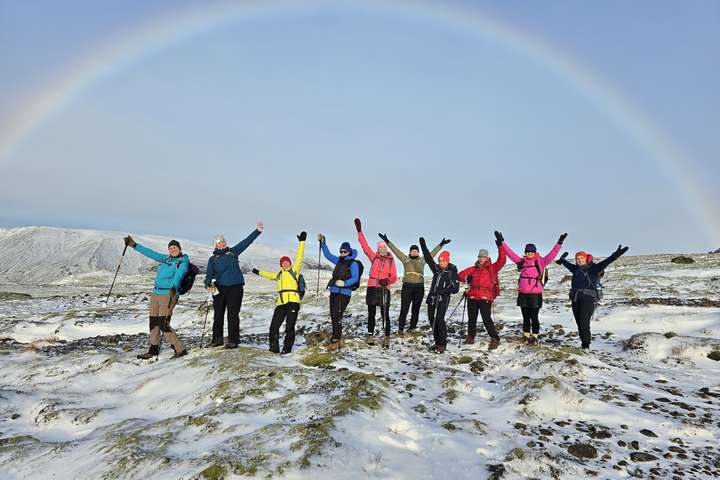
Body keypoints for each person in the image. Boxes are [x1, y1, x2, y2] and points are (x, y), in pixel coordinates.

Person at [123, 235, 188, 359]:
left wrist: (174, 287)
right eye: (171, 248)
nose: (173, 250)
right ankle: (153, 350)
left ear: (179, 249)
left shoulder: (182, 262)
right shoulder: (166, 259)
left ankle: (179, 349)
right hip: (156, 294)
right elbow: (151, 253)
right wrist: (134, 245)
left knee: (163, 323)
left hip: (168, 294)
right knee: (153, 322)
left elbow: (180, 274)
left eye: (175, 247)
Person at [495, 230, 565, 345]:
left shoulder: (541, 261)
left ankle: (535, 335)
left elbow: (552, 254)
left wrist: (559, 243)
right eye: (527, 251)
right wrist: (502, 242)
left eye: (531, 251)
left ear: (535, 252)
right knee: (525, 317)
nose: (529, 253)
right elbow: (510, 253)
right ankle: (526, 335)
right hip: (523, 293)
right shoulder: (521, 262)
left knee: (534, 317)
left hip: (535, 294)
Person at [556, 245, 629, 350]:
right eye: (577, 259)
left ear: (585, 258)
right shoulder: (575, 269)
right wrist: (562, 260)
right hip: (576, 299)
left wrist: (616, 255)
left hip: (588, 299)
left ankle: (586, 347)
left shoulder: (594, 268)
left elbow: (607, 261)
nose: (579, 260)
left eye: (581, 258)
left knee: (584, 323)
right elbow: (567, 264)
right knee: (579, 324)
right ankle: (583, 344)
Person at [204, 223, 264, 349]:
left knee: (232, 314)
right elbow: (209, 275)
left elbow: (246, 242)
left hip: (235, 288)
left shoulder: (233, 252)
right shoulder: (212, 259)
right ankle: (217, 339)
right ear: (215, 245)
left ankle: (233, 340)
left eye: (223, 242)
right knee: (218, 314)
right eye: (219, 243)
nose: (221, 245)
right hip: (219, 289)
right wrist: (208, 284)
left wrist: (257, 231)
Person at [380, 233, 449, 335]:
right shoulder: (405, 259)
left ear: (418, 252)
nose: (414, 252)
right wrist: (387, 241)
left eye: (416, 251)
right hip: (407, 286)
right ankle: (400, 328)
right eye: (413, 251)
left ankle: (412, 328)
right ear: (410, 252)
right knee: (404, 308)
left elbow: (431, 254)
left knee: (415, 309)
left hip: (419, 287)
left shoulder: (422, 260)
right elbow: (396, 250)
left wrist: (441, 245)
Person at [252, 232, 306, 354]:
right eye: (283, 262)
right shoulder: (278, 274)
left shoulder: (295, 271)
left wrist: (301, 242)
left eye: (287, 261)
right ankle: (274, 349)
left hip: (293, 302)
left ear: (290, 263)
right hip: (281, 303)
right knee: (273, 327)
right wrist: (257, 272)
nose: (285, 263)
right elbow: (268, 274)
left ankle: (286, 350)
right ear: (281, 264)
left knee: (289, 327)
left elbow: (299, 257)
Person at [355, 218, 398, 348]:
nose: (382, 249)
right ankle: (370, 335)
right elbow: (364, 246)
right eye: (380, 247)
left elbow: (395, 276)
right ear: (378, 249)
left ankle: (386, 337)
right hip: (372, 288)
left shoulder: (391, 260)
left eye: (384, 247)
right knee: (371, 313)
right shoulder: (373, 257)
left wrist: (388, 280)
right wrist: (359, 231)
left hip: (384, 289)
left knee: (385, 314)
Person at [457, 238, 507, 349]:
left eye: (483, 256)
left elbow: (502, 259)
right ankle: (470, 337)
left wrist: (500, 246)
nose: (481, 258)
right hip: (473, 296)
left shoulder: (493, 268)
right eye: (480, 256)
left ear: (487, 257)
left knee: (486, 319)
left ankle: (495, 338)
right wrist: (466, 279)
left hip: (485, 297)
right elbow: (460, 275)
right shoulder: (473, 268)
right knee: (472, 319)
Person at [319, 234, 361, 350]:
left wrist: (345, 283)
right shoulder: (338, 260)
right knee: (333, 314)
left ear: (349, 252)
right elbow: (327, 255)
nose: (342, 253)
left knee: (337, 314)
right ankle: (336, 336)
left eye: (344, 252)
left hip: (345, 293)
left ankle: (336, 338)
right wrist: (323, 243)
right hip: (334, 291)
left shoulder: (353, 263)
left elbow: (355, 278)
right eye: (341, 251)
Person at [419, 237, 459, 354]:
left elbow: (455, 289)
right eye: (440, 262)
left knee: (440, 320)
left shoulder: (452, 273)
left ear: (447, 262)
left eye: (444, 262)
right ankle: (437, 342)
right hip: (432, 298)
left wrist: (445, 291)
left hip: (443, 299)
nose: (442, 264)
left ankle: (442, 343)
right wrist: (423, 246)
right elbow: (428, 258)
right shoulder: (436, 270)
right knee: (432, 320)